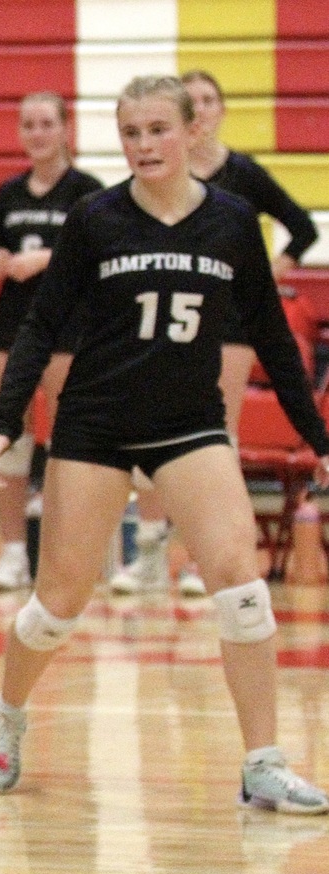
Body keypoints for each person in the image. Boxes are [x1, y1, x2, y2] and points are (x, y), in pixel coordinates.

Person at [0, 75, 329, 813]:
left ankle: (263, 764)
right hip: (96, 423)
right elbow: (41, 324)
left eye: (158, 129)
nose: (144, 146)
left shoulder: (232, 221)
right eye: (130, 132)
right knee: (58, 602)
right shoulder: (94, 218)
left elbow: (269, 333)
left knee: (241, 585)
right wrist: (5, 419)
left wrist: (317, 435)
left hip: (189, 422)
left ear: (191, 130)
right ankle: (7, 713)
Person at [115, 69, 323, 597]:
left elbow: (303, 226)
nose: (203, 110)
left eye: (211, 100)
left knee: (213, 439)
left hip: (228, 320)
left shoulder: (242, 174)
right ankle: (150, 551)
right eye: (195, 101)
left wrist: (267, 271)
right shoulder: (153, 181)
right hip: (164, 316)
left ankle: (205, 557)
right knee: (151, 431)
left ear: (220, 111)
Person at [0, 93, 104, 591]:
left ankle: (66, 550)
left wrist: (48, 258)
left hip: (68, 331)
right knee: (8, 437)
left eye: (46, 123)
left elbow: (98, 258)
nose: (36, 133)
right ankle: (13, 551)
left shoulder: (87, 191)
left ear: (65, 128)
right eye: (27, 124)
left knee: (68, 440)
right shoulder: (7, 194)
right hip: (12, 326)